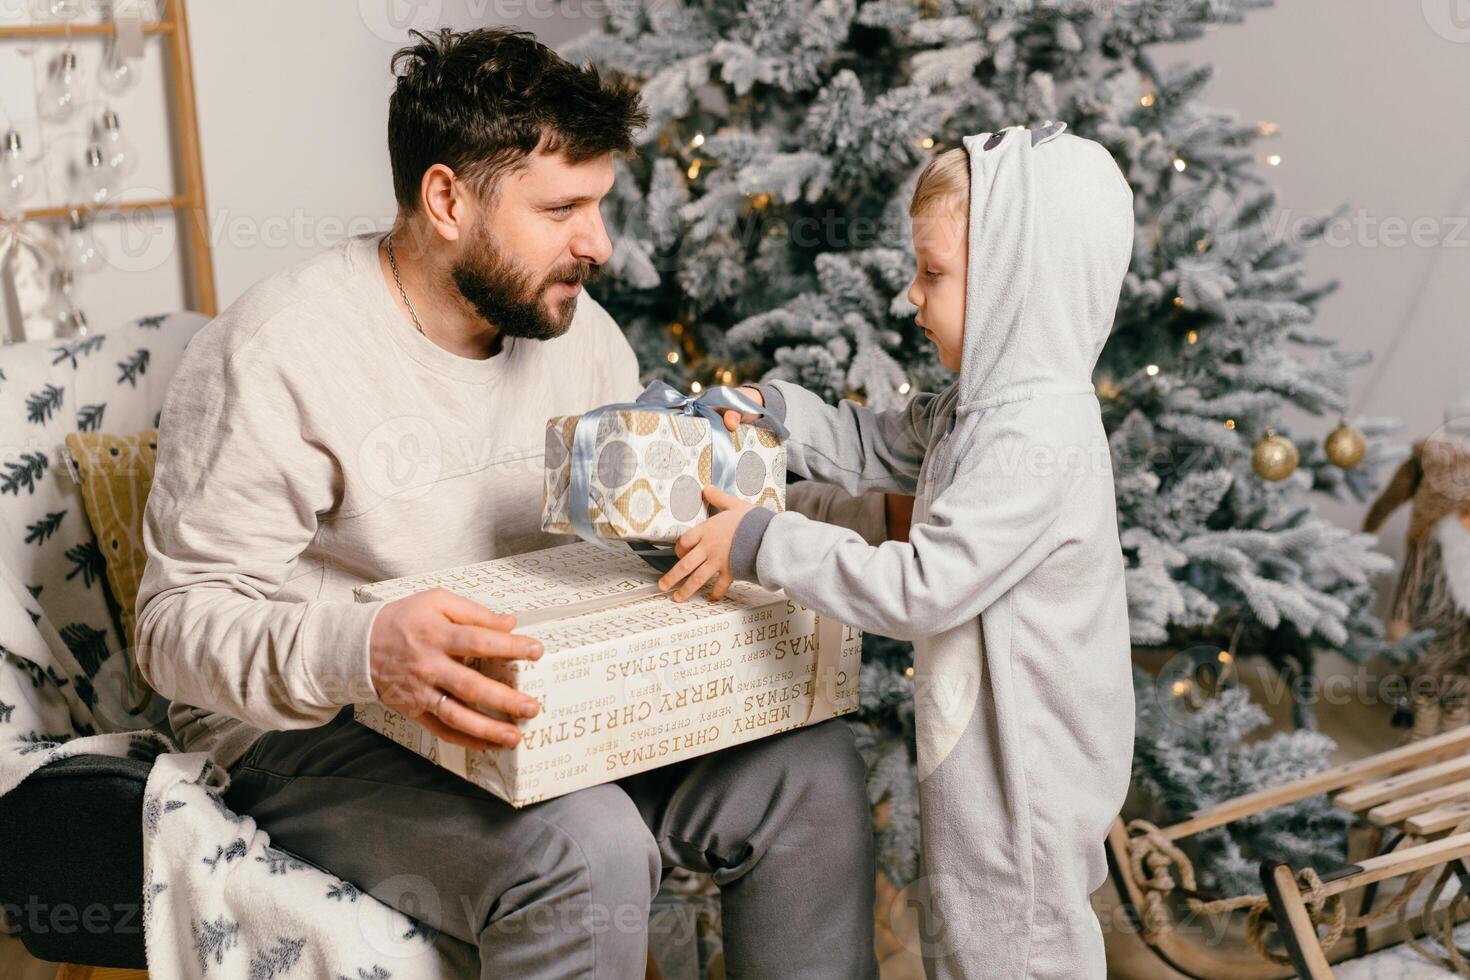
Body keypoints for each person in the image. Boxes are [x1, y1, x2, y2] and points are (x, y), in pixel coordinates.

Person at [135, 27, 890, 979]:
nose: (600, 244)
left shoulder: (580, 333)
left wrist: (879, 526)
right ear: (446, 198)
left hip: (544, 697)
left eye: (601, 205)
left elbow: (670, 513)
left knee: (808, 777)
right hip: (316, 732)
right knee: (589, 848)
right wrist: (366, 652)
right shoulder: (277, 352)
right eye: (563, 208)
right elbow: (172, 626)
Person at [658, 123, 1137, 978]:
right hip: (983, 755)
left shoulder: (1037, 431)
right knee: (962, 938)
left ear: (1018, 287)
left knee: (1015, 951)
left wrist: (764, 541)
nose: (910, 297)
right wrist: (777, 408)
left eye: (935, 275)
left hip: (1026, 777)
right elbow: (874, 442)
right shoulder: (977, 407)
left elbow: (924, 588)